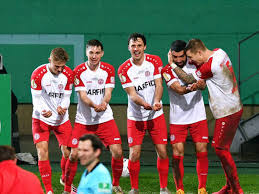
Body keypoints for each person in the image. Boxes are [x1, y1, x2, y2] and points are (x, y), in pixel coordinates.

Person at [169, 39, 244, 194]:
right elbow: (201, 78)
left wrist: (172, 65)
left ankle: (236, 190)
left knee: (220, 148)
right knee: (223, 149)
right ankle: (229, 187)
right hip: (234, 106)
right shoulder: (219, 51)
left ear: (199, 53)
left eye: (191, 57)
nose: (190, 61)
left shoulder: (209, 66)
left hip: (227, 112)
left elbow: (189, 79)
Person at [68, 39, 124, 193]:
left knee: (118, 152)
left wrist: (104, 104)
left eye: (97, 52)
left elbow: (108, 92)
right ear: (87, 52)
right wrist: (95, 105)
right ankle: (67, 189)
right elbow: (84, 96)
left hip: (104, 118)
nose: (94, 56)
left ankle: (116, 184)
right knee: (73, 155)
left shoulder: (108, 69)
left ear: (102, 53)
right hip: (84, 120)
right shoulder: (78, 71)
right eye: (91, 52)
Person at [118, 33, 170, 194]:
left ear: (144, 47)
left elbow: (159, 85)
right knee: (134, 154)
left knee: (162, 152)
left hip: (156, 115)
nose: (136, 49)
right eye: (133, 46)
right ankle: (134, 189)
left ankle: (163, 188)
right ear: (128, 48)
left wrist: (156, 101)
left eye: (139, 45)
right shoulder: (123, 69)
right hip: (136, 117)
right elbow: (132, 95)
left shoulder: (154, 61)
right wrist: (146, 104)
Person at [162, 40, 209, 194]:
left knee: (202, 150)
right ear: (171, 55)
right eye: (175, 57)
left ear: (186, 53)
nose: (179, 60)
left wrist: (200, 84)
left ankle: (202, 187)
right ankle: (179, 189)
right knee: (177, 154)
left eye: (181, 56)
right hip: (178, 118)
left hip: (198, 115)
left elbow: (203, 84)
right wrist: (193, 85)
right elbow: (179, 90)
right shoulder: (167, 70)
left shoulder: (195, 63)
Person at [30, 47, 74, 194]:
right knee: (43, 152)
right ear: (50, 60)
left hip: (61, 120)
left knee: (69, 154)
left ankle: (64, 178)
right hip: (41, 118)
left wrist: (63, 106)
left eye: (63, 66)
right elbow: (36, 99)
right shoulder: (38, 74)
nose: (60, 70)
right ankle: (48, 191)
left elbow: (67, 96)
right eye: (57, 66)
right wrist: (43, 110)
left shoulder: (68, 73)